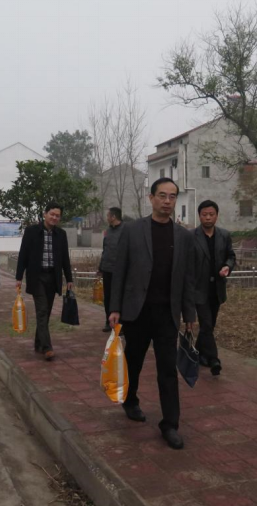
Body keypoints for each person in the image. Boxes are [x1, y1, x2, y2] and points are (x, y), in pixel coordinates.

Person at [109, 179, 196, 450]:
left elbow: (187, 278)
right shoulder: (132, 230)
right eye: (162, 196)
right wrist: (115, 308)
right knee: (133, 362)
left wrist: (189, 314)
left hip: (167, 314)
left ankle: (170, 424)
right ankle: (130, 401)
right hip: (137, 312)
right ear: (151, 198)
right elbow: (120, 270)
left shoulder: (183, 237)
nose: (167, 201)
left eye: (172, 196)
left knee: (167, 370)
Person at [16, 202, 74, 362]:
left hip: (53, 277)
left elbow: (65, 258)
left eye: (57, 216)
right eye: (52, 214)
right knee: (42, 310)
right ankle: (47, 347)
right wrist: (19, 277)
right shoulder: (31, 231)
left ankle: (38, 343)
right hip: (37, 277)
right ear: (45, 214)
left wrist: (69, 278)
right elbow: (23, 254)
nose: (54, 217)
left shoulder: (61, 234)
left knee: (46, 312)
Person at [191, 201, 236, 376]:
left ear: (216, 215)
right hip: (199, 288)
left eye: (211, 214)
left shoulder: (224, 235)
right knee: (206, 324)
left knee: (209, 326)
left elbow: (231, 256)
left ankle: (198, 353)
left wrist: (227, 267)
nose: (208, 218)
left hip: (217, 288)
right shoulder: (191, 236)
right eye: (204, 214)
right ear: (199, 216)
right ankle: (214, 359)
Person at [98, 207, 124, 333]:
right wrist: (100, 267)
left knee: (120, 297)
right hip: (107, 269)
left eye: (108, 215)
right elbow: (105, 250)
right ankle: (108, 321)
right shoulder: (108, 231)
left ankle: (121, 324)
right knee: (107, 297)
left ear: (113, 217)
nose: (107, 218)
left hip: (120, 270)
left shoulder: (125, 230)